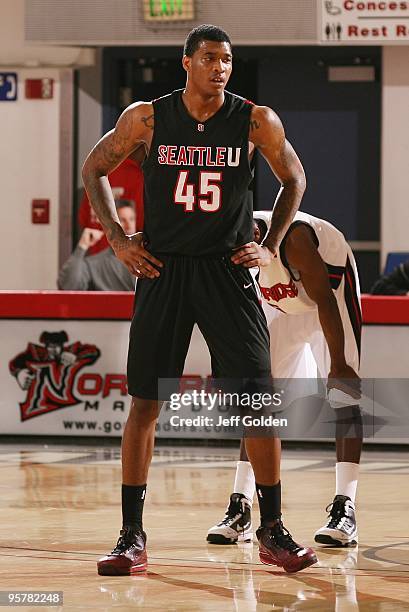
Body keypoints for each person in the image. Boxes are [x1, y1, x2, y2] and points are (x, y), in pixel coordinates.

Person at [82, 24, 317, 575]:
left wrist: (271, 244)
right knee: (145, 400)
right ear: (186, 62)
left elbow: (295, 178)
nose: (220, 68)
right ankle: (131, 537)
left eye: (228, 60)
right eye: (210, 58)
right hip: (163, 269)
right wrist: (117, 238)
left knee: (256, 403)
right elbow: (94, 169)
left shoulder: (255, 119)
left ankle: (274, 530)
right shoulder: (146, 117)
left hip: (227, 272)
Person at [207, 210, 362, 548]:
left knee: (345, 392)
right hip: (283, 305)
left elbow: (323, 299)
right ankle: (241, 505)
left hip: (330, 298)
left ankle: (345, 507)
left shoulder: (295, 239)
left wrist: (338, 363)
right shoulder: (226, 251)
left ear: (259, 237)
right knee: (256, 399)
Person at [58, 199, 136, 291]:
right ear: (111, 225)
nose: (129, 225)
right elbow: (67, 286)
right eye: (122, 220)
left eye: (132, 219)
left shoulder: (146, 257)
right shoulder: (93, 264)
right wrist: (82, 246)